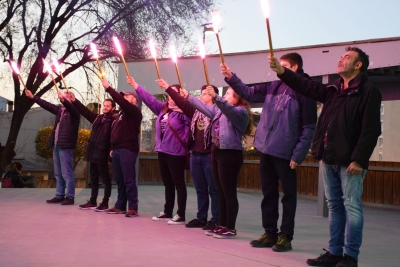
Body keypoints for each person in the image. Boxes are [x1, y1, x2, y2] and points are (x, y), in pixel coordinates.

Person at [269, 47, 381, 267]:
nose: (341, 59)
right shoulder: (332, 90)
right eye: (341, 56)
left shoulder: (368, 91)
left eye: (347, 57)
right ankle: (334, 253)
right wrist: (283, 72)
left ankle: (350, 257)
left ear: (358, 65)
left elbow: (371, 129)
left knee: (352, 207)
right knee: (335, 207)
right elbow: (306, 86)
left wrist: (359, 158)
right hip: (328, 157)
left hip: (350, 162)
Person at [220, 53, 317, 251]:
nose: (278, 68)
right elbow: (248, 92)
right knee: (268, 194)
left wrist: (298, 154)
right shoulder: (273, 85)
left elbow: (309, 126)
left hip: (286, 152)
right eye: (277, 65)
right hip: (266, 148)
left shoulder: (305, 90)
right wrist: (231, 77)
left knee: (288, 196)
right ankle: (269, 233)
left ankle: (285, 237)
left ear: (295, 67)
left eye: (283, 65)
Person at [186, 85, 251, 239]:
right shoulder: (220, 111)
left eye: (228, 93)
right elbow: (205, 108)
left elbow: (230, 110)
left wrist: (216, 97)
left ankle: (230, 227)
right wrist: (188, 97)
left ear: (237, 97)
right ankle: (221, 224)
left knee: (228, 192)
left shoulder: (240, 112)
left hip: (230, 153)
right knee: (220, 192)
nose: (225, 95)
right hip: (217, 151)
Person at [127, 76, 190, 225]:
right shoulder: (163, 109)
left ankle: (181, 214)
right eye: (169, 94)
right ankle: (168, 211)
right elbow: (149, 99)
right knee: (167, 182)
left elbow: (190, 129)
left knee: (178, 183)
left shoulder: (185, 112)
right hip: (162, 151)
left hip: (176, 152)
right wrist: (136, 85)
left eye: (174, 94)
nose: (171, 98)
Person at [159, 80, 220, 230]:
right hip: (196, 154)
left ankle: (216, 219)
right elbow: (182, 103)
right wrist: (169, 89)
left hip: (209, 155)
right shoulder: (195, 113)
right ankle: (201, 217)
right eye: (201, 93)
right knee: (200, 189)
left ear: (214, 95)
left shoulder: (217, 113)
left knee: (213, 189)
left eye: (205, 93)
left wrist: (169, 88)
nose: (201, 95)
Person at [25, 89, 80, 205]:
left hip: (66, 145)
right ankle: (59, 195)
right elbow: (47, 105)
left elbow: (71, 108)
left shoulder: (74, 112)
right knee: (58, 173)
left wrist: (64, 101)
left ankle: (70, 197)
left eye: (66, 97)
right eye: (63, 97)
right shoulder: (60, 111)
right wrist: (33, 97)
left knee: (67, 173)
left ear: (71, 99)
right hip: (57, 145)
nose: (63, 99)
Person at [101, 79, 143, 218]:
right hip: (118, 149)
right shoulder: (120, 115)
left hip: (128, 149)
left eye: (126, 96)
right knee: (119, 179)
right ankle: (120, 205)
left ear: (134, 99)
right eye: (123, 95)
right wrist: (113, 147)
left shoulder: (134, 112)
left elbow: (122, 103)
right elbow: (116, 133)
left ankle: (132, 207)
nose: (124, 98)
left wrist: (108, 88)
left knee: (128, 179)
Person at [70, 94, 116, 212]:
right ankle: (92, 201)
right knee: (93, 178)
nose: (105, 108)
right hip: (93, 152)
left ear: (113, 108)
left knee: (106, 179)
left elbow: (113, 139)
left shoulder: (114, 121)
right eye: (104, 105)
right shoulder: (98, 118)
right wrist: (74, 101)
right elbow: (84, 111)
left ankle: (105, 202)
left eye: (107, 106)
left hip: (103, 154)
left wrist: (110, 155)